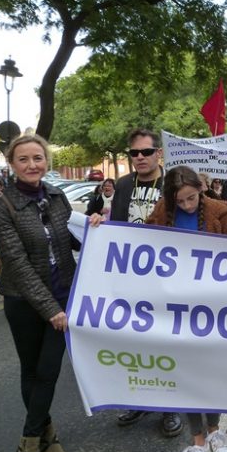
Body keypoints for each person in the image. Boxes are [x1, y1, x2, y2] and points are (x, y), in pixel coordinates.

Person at [0, 134, 80, 452]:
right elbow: (17, 264)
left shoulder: (57, 198)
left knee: (48, 372)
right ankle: (35, 447)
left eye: (38, 158)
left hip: (62, 296)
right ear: (12, 164)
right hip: (24, 303)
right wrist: (51, 310)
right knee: (33, 372)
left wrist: (93, 228)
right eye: (23, 159)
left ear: (47, 162)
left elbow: (68, 239)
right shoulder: (3, 206)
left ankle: (33, 444)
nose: (32, 165)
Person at [145, 166, 227, 452]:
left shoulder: (219, 213)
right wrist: (100, 226)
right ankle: (197, 442)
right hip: (175, 309)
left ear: (201, 190)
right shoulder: (160, 214)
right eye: (181, 201)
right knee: (185, 374)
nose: (187, 205)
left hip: (212, 308)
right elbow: (136, 244)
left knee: (209, 372)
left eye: (192, 198)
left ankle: (214, 432)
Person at [98, 128, 182, 436]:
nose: (140, 158)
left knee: (165, 341)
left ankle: (171, 407)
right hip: (131, 278)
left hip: (167, 278)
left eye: (146, 152)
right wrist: (98, 225)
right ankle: (139, 399)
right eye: (134, 153)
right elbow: (116, 228)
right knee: (135, 342)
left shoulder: (173, 184)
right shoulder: (122, 185)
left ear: (159, 153)